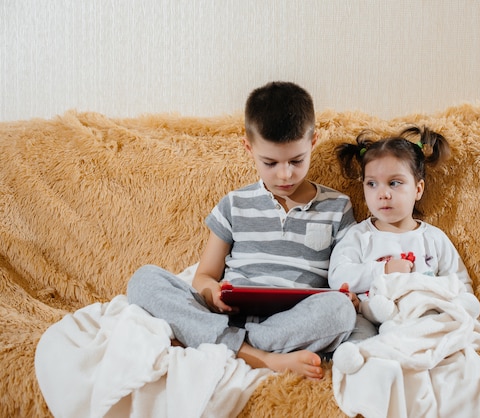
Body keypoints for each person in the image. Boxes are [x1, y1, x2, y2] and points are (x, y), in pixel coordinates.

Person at [127, 81, 357, 379]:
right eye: (270, 162)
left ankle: (225, 345)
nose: (285, 174)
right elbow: (204, 276)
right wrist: (212, 293)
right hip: (229, 316)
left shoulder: (337, 206)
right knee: (144, 279)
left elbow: (346, 275)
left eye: (296, 161)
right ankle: (259, 356)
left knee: (340, 311)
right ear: (249, 148)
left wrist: (350, 295)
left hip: (294, 320)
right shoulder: (234, 204)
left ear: (312, 143)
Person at [329, 127, 474, 325]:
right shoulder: (359, 236)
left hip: (422, 318)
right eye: (372, 184)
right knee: (354, 334)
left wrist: (460, 309)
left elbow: (461, 284)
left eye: (394, 183)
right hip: (370, 319)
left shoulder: (433, 238)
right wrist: (384, 270)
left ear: (418, 189)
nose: (383, 194)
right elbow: (338, 277)